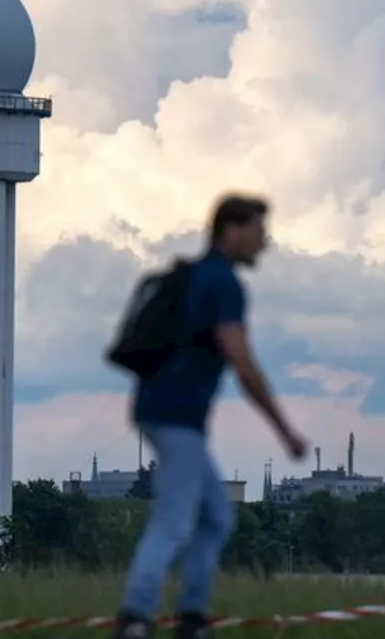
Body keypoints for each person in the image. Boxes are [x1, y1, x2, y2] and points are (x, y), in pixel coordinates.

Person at [112, 194, 308, 639]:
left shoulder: (194, 276)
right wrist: (284, 429)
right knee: (174, 520)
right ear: (232, 231)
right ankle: (135, 618)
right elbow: (242, 361)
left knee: (216, 516)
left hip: (161, 410)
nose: (266, 242)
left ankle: (192, 619)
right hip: (175, 414)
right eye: (260, 231)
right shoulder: (223, 284)